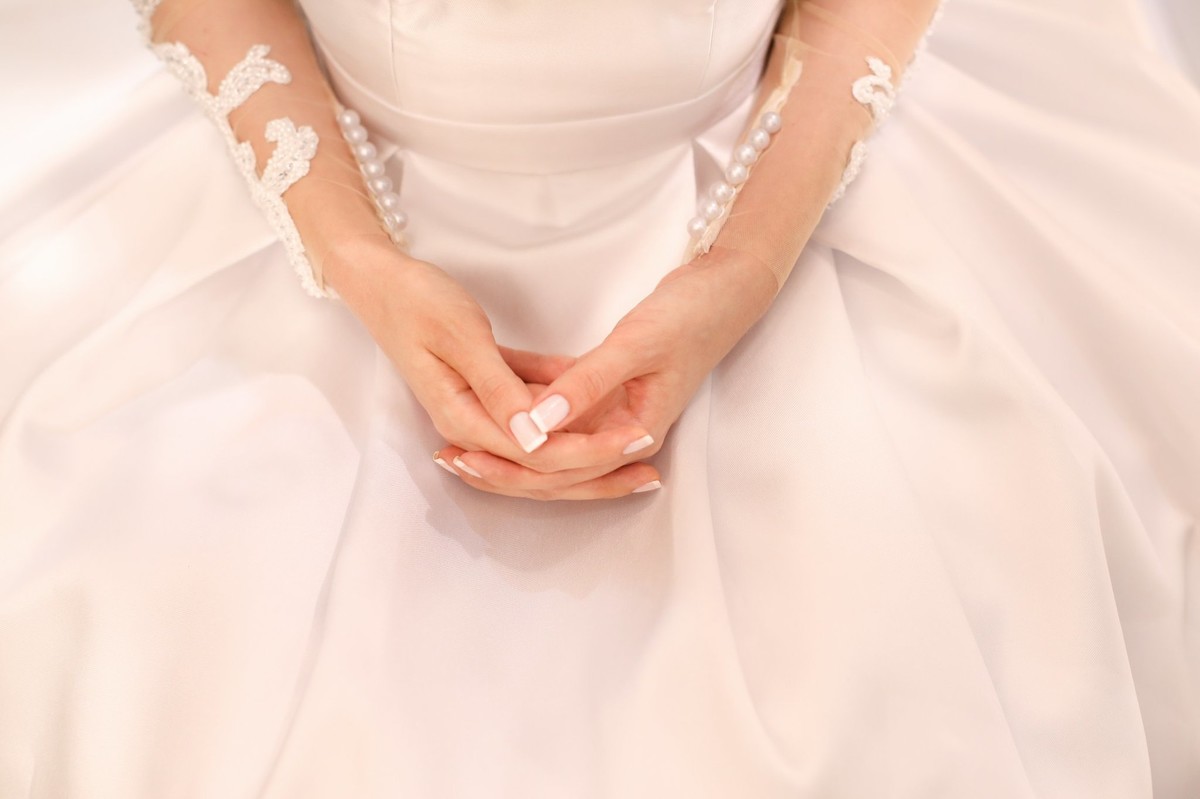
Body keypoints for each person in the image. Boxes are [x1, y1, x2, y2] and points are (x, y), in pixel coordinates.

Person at [1, 0, 1198, 795]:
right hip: (318, 183)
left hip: (770, 175)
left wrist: (740, 267)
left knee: (947, 589)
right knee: (143, 616)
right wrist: (357, 257)